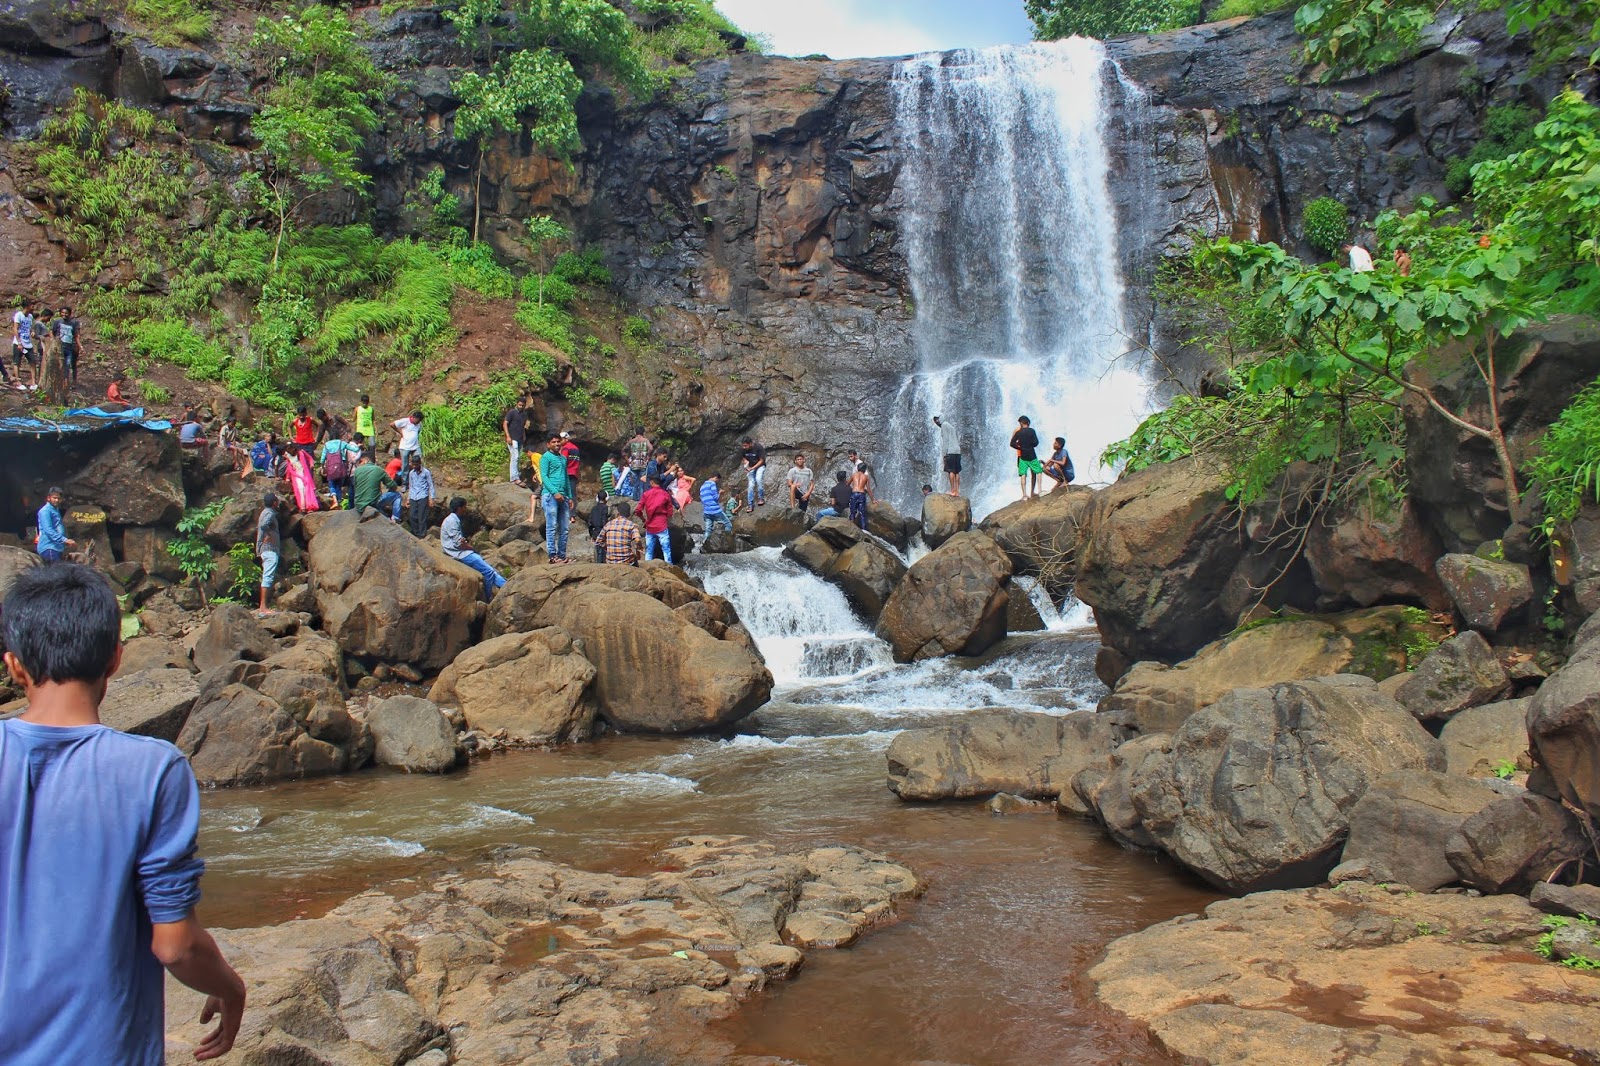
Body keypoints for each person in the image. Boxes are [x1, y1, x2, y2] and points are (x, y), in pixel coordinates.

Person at [0, 564, 247, 1066]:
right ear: (115, 659)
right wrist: (231, 987)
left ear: (14, 666)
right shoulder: (154, 769)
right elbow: (175, 947)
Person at [441, 497, 505, 601]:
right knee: (488, 572)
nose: (465, 509)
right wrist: (471, 548)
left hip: (458, 551)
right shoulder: (452, 521)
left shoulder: (452, 519)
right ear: (459, 508)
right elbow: (459, 544)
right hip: (457, 553)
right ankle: (488, 597)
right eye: (464, 507)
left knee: (491, 570)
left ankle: (505, 585)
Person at [538, 434, 571, 564]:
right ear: (548, 444)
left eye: (558, 442)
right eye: (554, 442)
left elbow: (566, 478)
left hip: (564, 495)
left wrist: (570, 496)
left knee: (565, 527)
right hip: (550, 495)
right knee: (551, 526)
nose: (557, 444)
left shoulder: (563, 459)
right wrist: (555, 492)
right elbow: (544, 477)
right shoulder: (545, 458)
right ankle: (552, 555)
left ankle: (562, 555)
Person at [351, 450, 402, 520]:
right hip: (373, 503)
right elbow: (393, 485)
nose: (359, 464)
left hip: (359, 505)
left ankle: (384, 516)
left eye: (360, 462)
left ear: (366, 460)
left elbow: (355, 488)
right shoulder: (378, 469)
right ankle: (395, 518)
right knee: (397, 495)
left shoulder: (357, 471)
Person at [640, 475, 676, 563]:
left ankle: (647, 567)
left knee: (649, 550)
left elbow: (638, 510)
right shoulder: (665, 494)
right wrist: (666, 518)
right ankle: (669, 567)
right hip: (662, 525)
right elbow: (670, 511)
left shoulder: (646, 494)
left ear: (652, 482)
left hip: (650, 525)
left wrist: (643, 520)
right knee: (666, 549)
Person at [34, 487, 74, 563]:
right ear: (48, 498)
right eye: (54, 498)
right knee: (55, 573)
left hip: (56, 548)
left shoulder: (55, 510)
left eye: (59, 498)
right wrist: (65, 540)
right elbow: (48, 530)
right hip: (49, 548)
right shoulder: (45, 511)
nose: (57, 500)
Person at [320, 431, 358, 509]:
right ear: (338, 436)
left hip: (330, 467)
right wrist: (359, 447)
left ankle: (335, 501)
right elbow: (354, 449)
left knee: (331, 483)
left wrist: (322, 466)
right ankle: (339, 501)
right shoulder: (342, 443)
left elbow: (323, 458)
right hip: (341, 467)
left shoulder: (327, 445)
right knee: (338, 485)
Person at [599, 499, 642, 566]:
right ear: (629, 513)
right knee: (635, 559)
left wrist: (607, 547)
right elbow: (638, 539)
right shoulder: (631, 525)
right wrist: (639, 547)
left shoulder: (608, 524)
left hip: (610, 560)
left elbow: (598, 541)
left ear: (618, 513)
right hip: (626, 560)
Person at [256, 492, 280, 614]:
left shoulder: (266, 512)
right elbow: (263, 524)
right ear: (274, 503)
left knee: (268, 576)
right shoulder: (269, 513)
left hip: (268, 549)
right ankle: (263, 608)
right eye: (277, 501)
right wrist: (268, 535)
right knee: (267, 576)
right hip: (268, 549)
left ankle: (263, 607)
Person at [1010, 415, 1042, 500]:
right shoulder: (1031, 431)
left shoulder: (1018, 432)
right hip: (1031, 455)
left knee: (1023, 474)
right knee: (1037, 471)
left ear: (1021, 423)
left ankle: (1025, 495)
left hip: (1022, 456)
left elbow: (1012, 443)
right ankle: (1039, 491)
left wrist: (1020, 447)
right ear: (1028, 422)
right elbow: (1036, 442)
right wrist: (1030, 446)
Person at [405, 454, 435, 537]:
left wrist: (431, 498)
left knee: (422, 516)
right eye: (413, 464)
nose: (414, 466)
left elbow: (431, 485)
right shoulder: (411, 473)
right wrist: (408, 499)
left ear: (420, 463)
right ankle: (416, 532)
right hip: (413, 496)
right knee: (412, 516)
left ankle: (422, 534)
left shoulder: (426, 472)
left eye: (416, 465)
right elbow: (410, 486)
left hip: (423, 496)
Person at [285, 443, 320, 513]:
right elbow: (289, 468)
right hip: (296, 475)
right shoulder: (288, 457)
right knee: (301, 488)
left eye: (289, 450)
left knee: (307, 489)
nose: (288, 452)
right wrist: (288, 478)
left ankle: (309, 506)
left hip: (304, 473)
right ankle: (303, 507)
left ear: (293, 449)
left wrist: (311, 464)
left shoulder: (301, 453)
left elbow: (310, 458)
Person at [933, 414, 962, 497]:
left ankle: (952, 490)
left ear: (940, 419)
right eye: (935, 421)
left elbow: (945, 441)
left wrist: (944, 454)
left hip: (951, 451)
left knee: (951, 471)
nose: (936, 422)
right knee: (957, 471)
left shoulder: (944, 426)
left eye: (937, 420)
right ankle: (957, 491)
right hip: (957, 451)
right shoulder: (950, 426)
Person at [51, 306, 80, 387]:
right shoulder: (57, 321)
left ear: (69, 314)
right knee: (59, 364)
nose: (64, 314)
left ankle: (66, 383)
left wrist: (79, 346)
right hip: (59, 347)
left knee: (67, 365)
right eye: (62, 313)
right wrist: (54, 340)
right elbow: (52, 331)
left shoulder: (73, 323)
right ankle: (59, 382)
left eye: (66, 313)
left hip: (69, 347)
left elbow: (76, 335)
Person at [503, 395, 529, 485]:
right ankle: (514, 478)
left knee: (517, 458)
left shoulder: (524, 415)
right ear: (517, 404)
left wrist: (524, 435)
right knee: (515, 456)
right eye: (520, 405)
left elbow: (523, 426)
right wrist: (508, 436)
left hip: (520, 439)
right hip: (512, 438)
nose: (521, 407)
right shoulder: (512, 412)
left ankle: (515, 476)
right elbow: (505, 423)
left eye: (523, 405)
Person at [12, 300, 36, 390]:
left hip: (28, 343)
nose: (34, 307)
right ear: (28, 306)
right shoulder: (19, 315)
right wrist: (19, 342)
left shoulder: (30, 316)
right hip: (19, 342)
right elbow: (15, 328)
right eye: (32, 305)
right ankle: (18, 382)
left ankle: (33, 382)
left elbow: (30, 328)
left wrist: (32, 332)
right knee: (17, 362)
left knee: (32, 361)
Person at [624, 427, 652, 499]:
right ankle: (641, 500)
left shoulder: (631, 441)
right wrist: (647, 456)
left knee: (635, 484)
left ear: (635, 432)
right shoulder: (645, 440)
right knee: (642, 483)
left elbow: (624, 450)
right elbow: (651, 448)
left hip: (633, 464)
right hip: (643, 463)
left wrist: (627, 460)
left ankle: (634, 499)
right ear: (643, 433)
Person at [740, 437, 767, 509]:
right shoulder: (743, 449)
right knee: (750, 485)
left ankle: (761, 498)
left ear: (750, 444)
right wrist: (746, 463)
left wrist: (752, 468)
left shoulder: (758, 447)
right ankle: (750, 504)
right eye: (743, 445)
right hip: (750, 467)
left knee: (758, 479)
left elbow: (761, 460)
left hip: (760, 466)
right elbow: (744, 458)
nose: (744, 447)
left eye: (746, 445)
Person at [847, 462, 872, 531]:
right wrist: (873, 500)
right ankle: (864, 530)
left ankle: (850, 528)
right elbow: (869, 490)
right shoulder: (866, 477)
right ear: (864, 469)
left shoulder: (853, 475)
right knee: (862, 513)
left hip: (854, 494)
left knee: (852, 512)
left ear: (858, 468)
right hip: (861, 494)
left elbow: (847, 484)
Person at [587, 490, 610, 562]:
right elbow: (604, 521)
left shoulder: (593, 509)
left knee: (598, 551)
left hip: (595, 532)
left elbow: (590, 522)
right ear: (606, 498)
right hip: (603, 531)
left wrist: (591, 534)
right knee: (603, 552)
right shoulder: (606, 508)